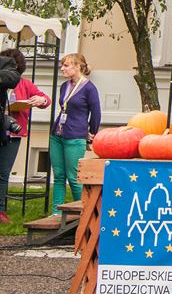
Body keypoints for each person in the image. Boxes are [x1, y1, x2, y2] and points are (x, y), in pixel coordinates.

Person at [0, 49, 51, 224]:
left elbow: (45, 99)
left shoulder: (24, 84)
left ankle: (1, 210)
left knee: (3, 172)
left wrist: (41, 100)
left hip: (13, 134)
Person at [50, 53, 100, 214]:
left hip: (75, 136)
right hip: (57, 134)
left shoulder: (89, 88)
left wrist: (92, 133)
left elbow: (96, 113)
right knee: (59, 175)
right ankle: (56, 212)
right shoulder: (64, 86)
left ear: (78, 66)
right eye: (62, 65)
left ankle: (83, 213)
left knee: (73, 177)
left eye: (66, 65)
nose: (62, 68)